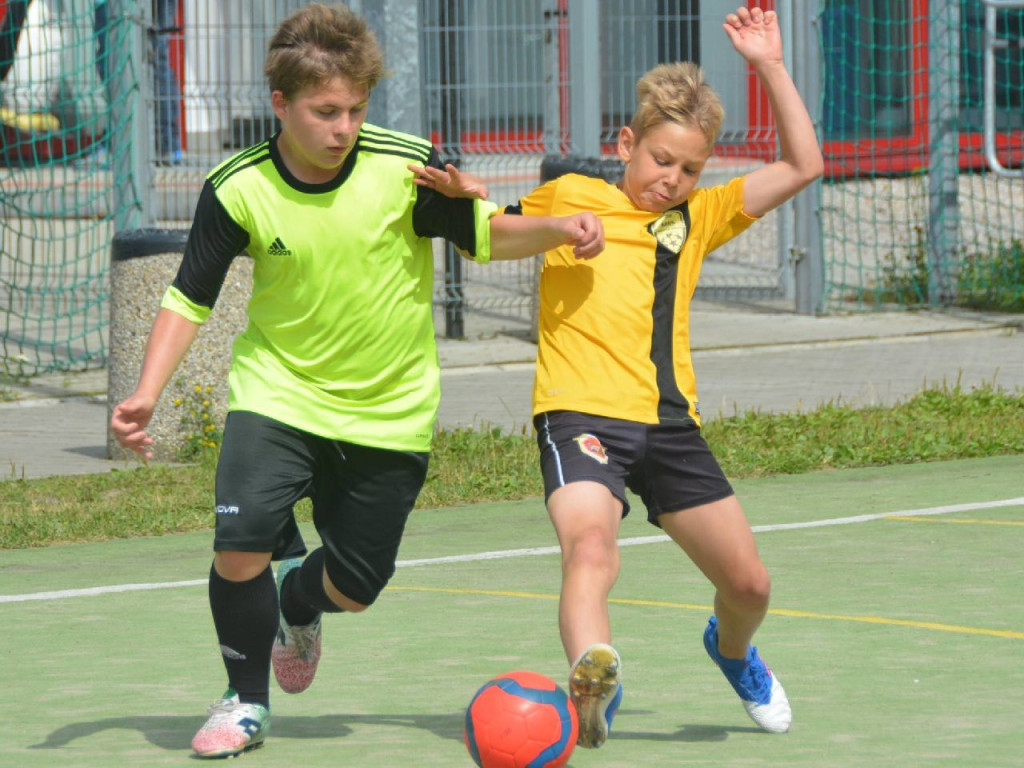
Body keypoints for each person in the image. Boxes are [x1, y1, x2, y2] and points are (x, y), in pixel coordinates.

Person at [109, 3, 602, 759]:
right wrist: (145, 392)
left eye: (356, 108)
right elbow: (189, 296)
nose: (344, 127)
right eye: (325, 111)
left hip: (389, 411)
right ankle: (245, 701)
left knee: (356, 586)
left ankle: (298, 605)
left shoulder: (404, 165)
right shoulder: (237, 185)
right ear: (281, 104)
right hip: (278, 395)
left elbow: (484, 234)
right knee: (238, 546)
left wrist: (558, 228)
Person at [494, 6, 824, 748]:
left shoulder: (697, 218)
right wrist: (545, 230)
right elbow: (486, 235)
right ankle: (592, 677)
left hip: (671, 427)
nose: (669, 179)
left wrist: (768, 64)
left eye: (688, 169)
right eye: (659, 160)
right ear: (626, 143)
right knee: (589, 548)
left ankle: (732, 649)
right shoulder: (572, 199)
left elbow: (805, 165)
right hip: (578, 415)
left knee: (750, 586)